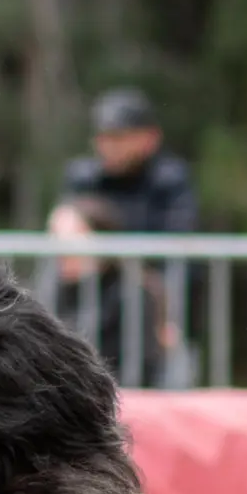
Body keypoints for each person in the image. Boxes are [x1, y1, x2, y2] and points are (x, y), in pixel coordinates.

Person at [47, 87, 199, 387]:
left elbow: (179, 249)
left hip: (153, 307)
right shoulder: (83, 177)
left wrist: (169, 316)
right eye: (103, 138)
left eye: (118, 137)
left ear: (149, 138)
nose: (108, 147)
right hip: (95, 307)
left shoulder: (170, 180)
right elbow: (63, 233)